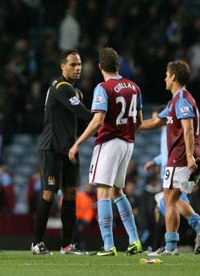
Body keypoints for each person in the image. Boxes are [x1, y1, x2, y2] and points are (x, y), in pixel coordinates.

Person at [68, 47, 143, 256]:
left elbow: (98, 120)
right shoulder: (134, 87)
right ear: (118, 66)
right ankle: (135, 240)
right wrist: (126, 133)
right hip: (128, 143)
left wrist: (77, 144)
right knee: (118, 191)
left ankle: (108, 245)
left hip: (109, 142)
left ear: (100, 67)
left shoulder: (103, 87)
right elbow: (140, 120)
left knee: (103, 192)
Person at [31, 49, 92, 255]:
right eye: (73, 65)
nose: (77, 68)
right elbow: (84, 114)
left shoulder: (76, 92)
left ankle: (67, 245)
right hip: (51, 147)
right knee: (49, 193)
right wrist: (104, 122)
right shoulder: (62, 87)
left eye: (79, 65)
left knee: (71, 193)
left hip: (69, 149)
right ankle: (36, 242)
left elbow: (79, 122)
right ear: (62, 66)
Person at [138, 60, 200, 255]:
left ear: (173, 76)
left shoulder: (182, 99)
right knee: (173, 198)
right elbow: (157, 122)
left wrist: (189, 157)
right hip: (180, 157)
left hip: (181, 157)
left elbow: (188, 129)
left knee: (169, 200)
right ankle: (195, 229)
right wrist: (130, 125)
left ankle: (171, 246)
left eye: (166, 74)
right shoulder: (175, 101)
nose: (164, 78)